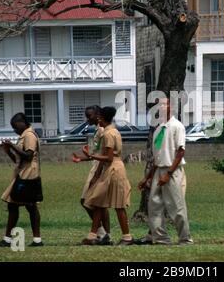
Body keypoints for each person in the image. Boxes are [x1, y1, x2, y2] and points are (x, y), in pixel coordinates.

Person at [137, 97, 193, 245]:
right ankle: (161, 239)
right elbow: (157, 156)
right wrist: (147, 177)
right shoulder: (158, 129)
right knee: (154, 206)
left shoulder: (177, 126)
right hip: (158, 171)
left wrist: (168, 174)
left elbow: (180, 152)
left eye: (164, 104)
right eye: (159, 104)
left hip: (172, 171)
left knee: (176, 206)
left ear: (171, 107)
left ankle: (185, 239)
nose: (161, 107)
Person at [82, 106, 133, 246]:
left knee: (119, 205)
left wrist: (91, 155)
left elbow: (109, 158)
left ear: (101, 118)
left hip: (113, 169)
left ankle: (127, 237)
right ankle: (93, 235)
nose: (97, 118)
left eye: (98, 117)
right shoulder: (113, 130)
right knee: (98, 202)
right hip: (111, 168)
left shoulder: (108, 134)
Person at [0, 112, 43, 247]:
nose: (14, 130)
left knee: (27, 206)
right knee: (19, 205)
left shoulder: (29, 135)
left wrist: (12, 146)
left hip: (28, 174)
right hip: (22, 173)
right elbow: (19, 159)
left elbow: (28, 156)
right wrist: (9, 151)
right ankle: (33, 240)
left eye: (15, 126)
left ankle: (11, 239)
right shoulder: (24, 135)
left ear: (22, 123)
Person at [72, 105, 109, 242]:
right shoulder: (97, 130)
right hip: (96, 166)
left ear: (98, 115)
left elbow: (106, 154)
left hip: (100, 169)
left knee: (86, 200)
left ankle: (101, 232)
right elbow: (97, 153)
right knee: (100, 205)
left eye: (90, 116)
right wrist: (81, 158)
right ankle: (105, 235)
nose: (87, 119)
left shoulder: (103, 131)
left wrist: (97, 175)